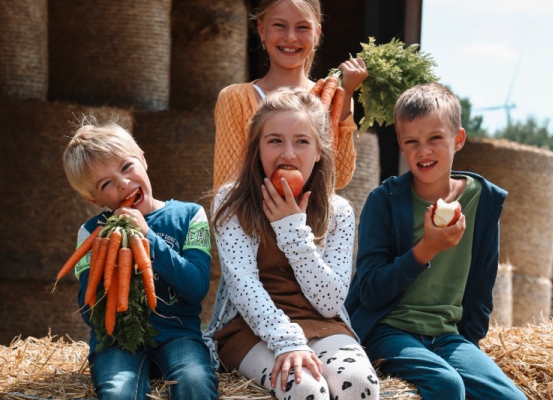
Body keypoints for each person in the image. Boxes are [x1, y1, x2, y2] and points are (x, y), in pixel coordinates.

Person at [345, 83, 526, 400]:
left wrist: (469, 346)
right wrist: (425, 250)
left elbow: (483, 287)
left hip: (447, 336)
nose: (423, 151)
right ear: (401, 145)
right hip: (388, 331)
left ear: (458, 139)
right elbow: (369, 291)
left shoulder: (483, 201)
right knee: (447, 385)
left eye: (435, 139)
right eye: (411, 141)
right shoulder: (384, 201)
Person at [204, 88, 379, 400]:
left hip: (321, 324)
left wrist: (293, 231)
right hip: (252, 328)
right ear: (257, 148)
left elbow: (329, 302)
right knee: (305, 388)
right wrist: (287, 342)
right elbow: (243, 286)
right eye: (274, 141)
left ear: (319, 151)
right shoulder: (231, 202)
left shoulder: (338, 212)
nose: (287, 153)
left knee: (359, 383)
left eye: (301, 141)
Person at [62, 120, 219, 400]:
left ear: (143, 159)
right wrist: (109, 256)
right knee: (118, 391)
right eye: (106, 183)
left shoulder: (189, 216)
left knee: (195, 381)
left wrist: (148, 240)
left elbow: (196, 289)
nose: (123, 184)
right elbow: (89, 313)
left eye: (126, 167)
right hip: (116, 342)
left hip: (178, 334)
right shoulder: (91, 233)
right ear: (94, 199)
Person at [212, 0, 368, 191]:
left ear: (317, 34)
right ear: (261, 29)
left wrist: (347, 94)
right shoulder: (234, 98)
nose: (291, 37)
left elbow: (339, 177)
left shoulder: (334, 99)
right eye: (280, 25)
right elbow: (226, 186)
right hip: (250, 220)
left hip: (310, 221)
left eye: (302, 27)